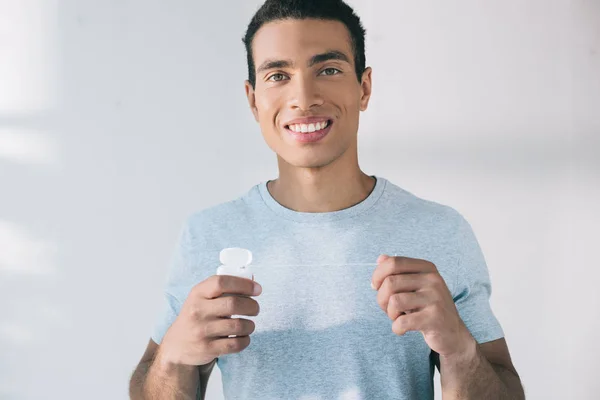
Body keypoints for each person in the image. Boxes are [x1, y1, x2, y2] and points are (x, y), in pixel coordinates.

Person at [129, 0, 525, 399]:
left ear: (364, 87)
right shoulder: (209, 234)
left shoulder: (440, 231)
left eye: (329, 70)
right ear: (253, 100)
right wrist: (173, 359)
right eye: (278, 75)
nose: (303, 97)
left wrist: (459, 349)